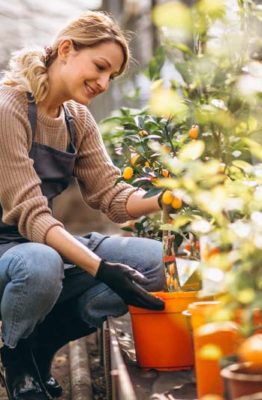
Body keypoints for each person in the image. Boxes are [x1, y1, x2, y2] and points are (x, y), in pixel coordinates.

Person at [0, 10, 166, 400]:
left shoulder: (77, 119)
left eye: (112, 76)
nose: (104, 83)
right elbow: (32, 215)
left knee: (153, 262)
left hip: (37, 241)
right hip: (15, 249)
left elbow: (112, 196)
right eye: (100, 67)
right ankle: (15, 353)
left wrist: (172, 197)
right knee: (42, 264)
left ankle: (42, 344)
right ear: (66, 49)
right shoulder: (8, 109)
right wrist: (102, 269)